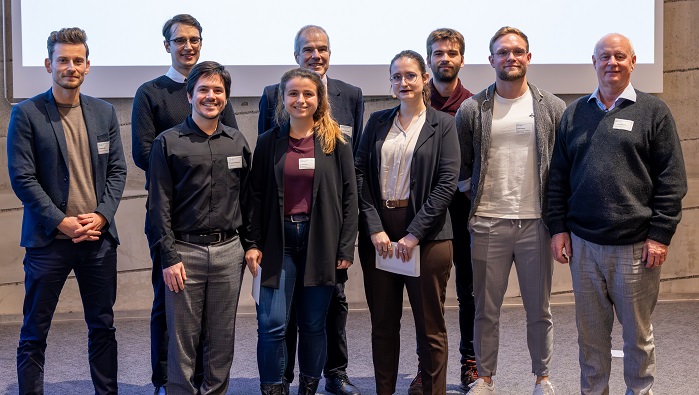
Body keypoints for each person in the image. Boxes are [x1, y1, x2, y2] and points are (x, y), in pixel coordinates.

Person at [547, 33, 687, 395]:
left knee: (637, 337)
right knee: (590, 337)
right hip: (583, 246)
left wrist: (660, 234)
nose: (612, 63)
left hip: (636, 248)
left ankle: (640, 391)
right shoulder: (574, 113)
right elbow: (558, 177)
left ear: (633, 62)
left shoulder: (654, 112)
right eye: (605, 56)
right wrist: (558, 228)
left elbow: (671, 180)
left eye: (620, 56)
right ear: (594, 63)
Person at [7, 27, 127, 394]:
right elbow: (23, 178)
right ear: (48, 64)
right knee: (34, 329)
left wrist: (103, 215)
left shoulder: (104, 111)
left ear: (88, 66)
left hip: (97, 239)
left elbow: (118, 170)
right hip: (49, 241)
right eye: (63, 60)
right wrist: (62, 221)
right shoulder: (27, 114)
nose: (70, 67)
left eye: (78, 60)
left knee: (103, 326)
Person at [131, 14, 239, 394]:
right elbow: (143, 151)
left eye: (194, 39)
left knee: (216, 320)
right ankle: (166, 380)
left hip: (220, 230)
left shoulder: (214, 88)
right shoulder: (151, 93)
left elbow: (231, 154)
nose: (188, 46)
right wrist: (184, 164)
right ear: (167, 46)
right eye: (180, 40)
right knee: (170, 308)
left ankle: (204, 382)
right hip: (174, 219)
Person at [456, 26, 564, 395]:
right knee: (486, 310)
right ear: (491, 60)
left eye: (518, 51)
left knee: (540, 309)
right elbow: (461, 166)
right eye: (503, 52)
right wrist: (480, 199)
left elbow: (561, 166)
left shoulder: (552, 106)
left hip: (537, 223)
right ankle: (485, 378)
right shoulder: (472, 109)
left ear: (528, 57)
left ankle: (542, 377)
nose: (511, 58)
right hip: (488, 223)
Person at [257, 24, 363, 395]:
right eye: (293, 94)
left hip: (322, 241)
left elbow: (351, 197)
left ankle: (309, 386)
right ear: (282, 99)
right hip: (277, 241)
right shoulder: (267, 142)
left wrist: (346, 248)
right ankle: (274, 387)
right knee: (272, 322)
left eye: (307, 94)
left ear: (319, 98)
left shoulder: (337, 143)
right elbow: (256, 196)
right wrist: (253, 242)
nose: (300, 100)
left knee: (315, 323)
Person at [355, 50, 459, 395]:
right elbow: (359, 175)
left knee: (430, 328)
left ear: (425, 78)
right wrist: (373, 227)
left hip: (428, 238)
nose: (404, 82)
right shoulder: (377, 122)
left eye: (411, 75)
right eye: (396, 76)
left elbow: (447, 183)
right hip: (380, 236)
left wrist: (414, 233)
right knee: (383, 325)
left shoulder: (443, 124)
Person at [148, 61, 250, 395]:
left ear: (226, 97)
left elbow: (248, 199)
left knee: (222, 337)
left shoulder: (237, 142)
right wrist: (168, 256)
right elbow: (158, 204)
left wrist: (249, 244)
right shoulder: (168, 142)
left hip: (229, 253)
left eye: (218, 90)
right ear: (190, 95)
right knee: (182, 339)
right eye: (203, 89)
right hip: (184, 254)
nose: (211, 96)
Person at [407, 28, 476, 395]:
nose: (444, 58)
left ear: (462, 59)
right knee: (427, 300)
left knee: (469, 293)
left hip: (464, 217)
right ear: (428, 59)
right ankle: (427, 368)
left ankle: (470, 362)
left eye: (451, 53)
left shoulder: (475, 106)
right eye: (437, 53)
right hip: (424, 218)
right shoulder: (418, 103)